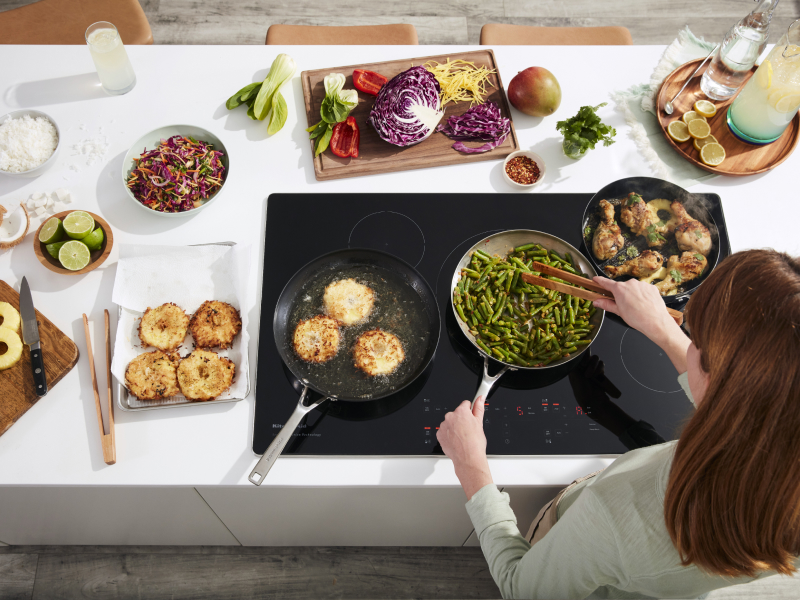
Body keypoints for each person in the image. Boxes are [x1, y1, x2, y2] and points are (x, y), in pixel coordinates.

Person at [436, 249, 800, 599]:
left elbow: (522, 588)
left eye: (697, 341)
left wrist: (472, 469)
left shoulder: (617, 517)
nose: (688, 341)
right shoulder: (780, 456)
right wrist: (661, 328)